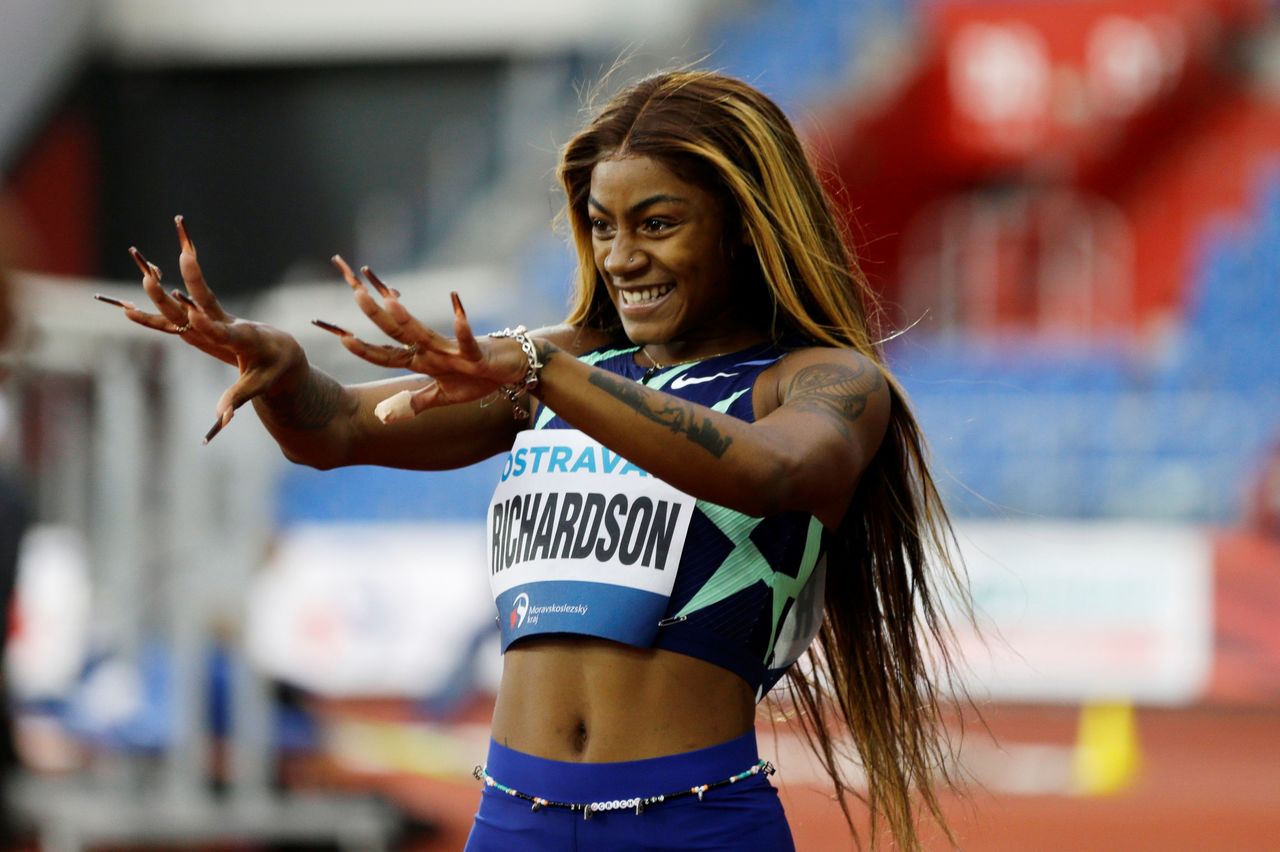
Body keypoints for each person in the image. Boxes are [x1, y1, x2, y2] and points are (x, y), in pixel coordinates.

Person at [101, 70, 968, 850]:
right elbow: (341, 432)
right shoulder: (564, 363)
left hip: (692, 824)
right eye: (603, 226)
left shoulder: (820, 381)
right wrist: (287, 372)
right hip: (513, 822)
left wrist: (543, 371)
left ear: (745, 229)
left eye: (657, 224)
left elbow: (775, 473)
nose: (622, 258)